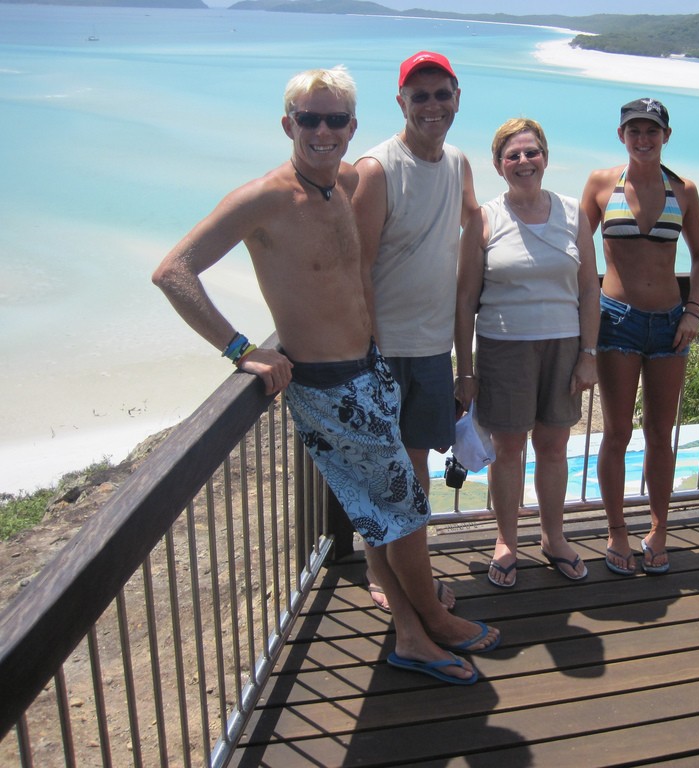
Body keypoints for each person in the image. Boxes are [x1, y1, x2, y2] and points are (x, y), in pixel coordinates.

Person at [152, 66, 498, 686]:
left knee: (381, 513)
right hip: (327, 386)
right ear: (287, 124)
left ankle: (412, 636)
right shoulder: (264, 198)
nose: (322, 130)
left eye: (335, 119)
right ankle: (432, 624)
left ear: (353, 127)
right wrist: (240, 349)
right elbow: (174, 271)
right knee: (407, 512)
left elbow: (428, 212)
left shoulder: (345, 183)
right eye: (309, 118)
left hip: (368, 370)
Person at [352, 51, 477, 611]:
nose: (431, 105)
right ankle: (385, 575)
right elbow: (357, 267)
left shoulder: (458, 163)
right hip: (384, 351)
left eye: (441, 94)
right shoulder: (377, 169)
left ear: (457, 98)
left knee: (417, 465)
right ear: (400, 102)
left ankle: (411, 571)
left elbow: (475, 224)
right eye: (419, 95)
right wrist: (369, 354)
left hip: (432, 347)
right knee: (386, 472)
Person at [455, 118, 600, 588]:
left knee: (554, 446)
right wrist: (466, 369)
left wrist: (589, 353)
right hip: (503, 347)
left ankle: (553, 537)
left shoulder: (573, 214)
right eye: (512, 155)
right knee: (509, 448)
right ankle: (506, 541)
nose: (523, 162)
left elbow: (588, 292)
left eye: (531, 152)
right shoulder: (484, 218)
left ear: (545, 157)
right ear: (499, 166)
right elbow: (464, 300)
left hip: (563, 345)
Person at [581, 97, 699, 576]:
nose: (643, 138)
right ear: (621, 135)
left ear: (666, 136)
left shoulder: (684, 190)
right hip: (616, 321)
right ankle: (616, 531)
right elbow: (578, 252)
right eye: (634, 130)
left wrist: (693, 311)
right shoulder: (600, 183)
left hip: (668, 324)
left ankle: (658, 529)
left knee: (661, 432)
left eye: (651, 131)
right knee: (617, 431)